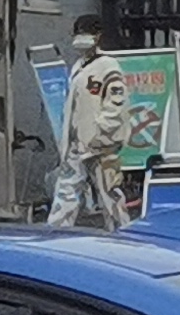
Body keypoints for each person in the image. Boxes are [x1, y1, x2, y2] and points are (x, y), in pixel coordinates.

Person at [49, 26, 138, 228]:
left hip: (101, 145)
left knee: (109, 192)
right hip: (77, 143)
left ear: (97, 37)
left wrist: (102, 131)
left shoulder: (108, 66)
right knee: (66, 190)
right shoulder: (78, 66)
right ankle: (56, 230)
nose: (80, 38)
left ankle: (121, 231)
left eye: (85, 33)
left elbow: (117, 102)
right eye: (77, 33)